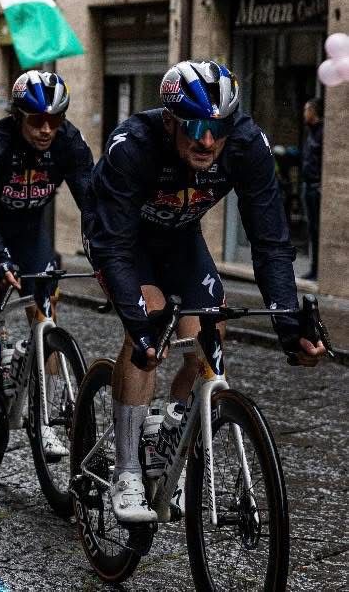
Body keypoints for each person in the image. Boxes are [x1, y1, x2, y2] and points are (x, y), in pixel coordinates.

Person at [88, 60, 326, 525]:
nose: (207, 140)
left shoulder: (246, 144)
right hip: (120, 240)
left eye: (217, 127)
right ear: (171, 119)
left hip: (180, 240)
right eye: (195, 126)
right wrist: (140, 326)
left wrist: (287, 321)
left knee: (209, 335)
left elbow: (271, 240)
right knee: (151, 321)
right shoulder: (133, 146)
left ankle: (172, 429)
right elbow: (113, 246)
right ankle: (128, 469)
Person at [0, 70, 95, 460]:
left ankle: (46, 419)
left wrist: (106, 249)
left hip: (30, 229)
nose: (46, 129)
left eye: (55, 119)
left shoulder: (69, 141)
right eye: (37, 120)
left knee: (45, 316)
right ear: (19, 116)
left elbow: (92, 201)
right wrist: (0, 257)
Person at [301, 97, 323, 280]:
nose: (304, 114)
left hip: (316, 188)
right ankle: (314, 268)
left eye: (306, 110)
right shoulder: (311, 132)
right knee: (311, 229)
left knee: (316, 230)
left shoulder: (322, 133)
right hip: (308, 186)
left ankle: (318, 270)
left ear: (314, 112)